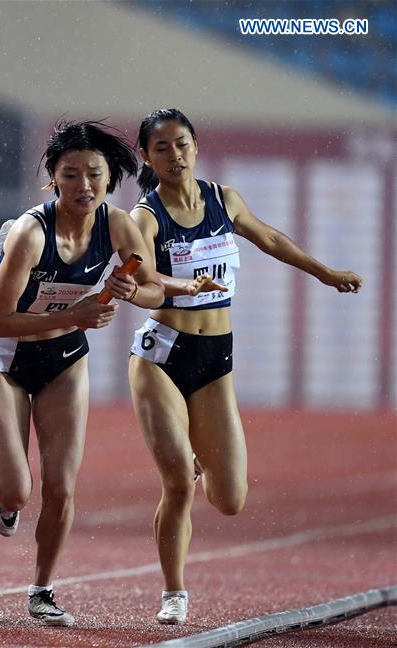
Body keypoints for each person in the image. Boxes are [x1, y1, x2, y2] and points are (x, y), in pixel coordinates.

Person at [128, 108, 363, 625]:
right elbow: (144, 283)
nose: (175, 155)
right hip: (161, 356)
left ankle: (191, 456)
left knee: (230, 498)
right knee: (178, 483)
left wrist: (324, 273)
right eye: (162, 147)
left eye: (182, 144)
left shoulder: (224, 199)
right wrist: (171, 286)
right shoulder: (145, 217)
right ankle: (174, 592)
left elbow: (271, 239)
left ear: (196, 146)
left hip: (215, 358)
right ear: (146, 156)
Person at [0, 121, 164, 627]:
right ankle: (3, 496)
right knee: (17, 491)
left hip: (64, 360)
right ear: (52, 179)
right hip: (4, 357)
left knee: (60, 485)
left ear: (110, 179)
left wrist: (133, 292)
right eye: (71, 174)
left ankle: (42, 589)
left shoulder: (118, 226)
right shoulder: (30, 233)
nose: (84, 185)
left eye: (94, 175)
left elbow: (154, 289)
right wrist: (75, 314)